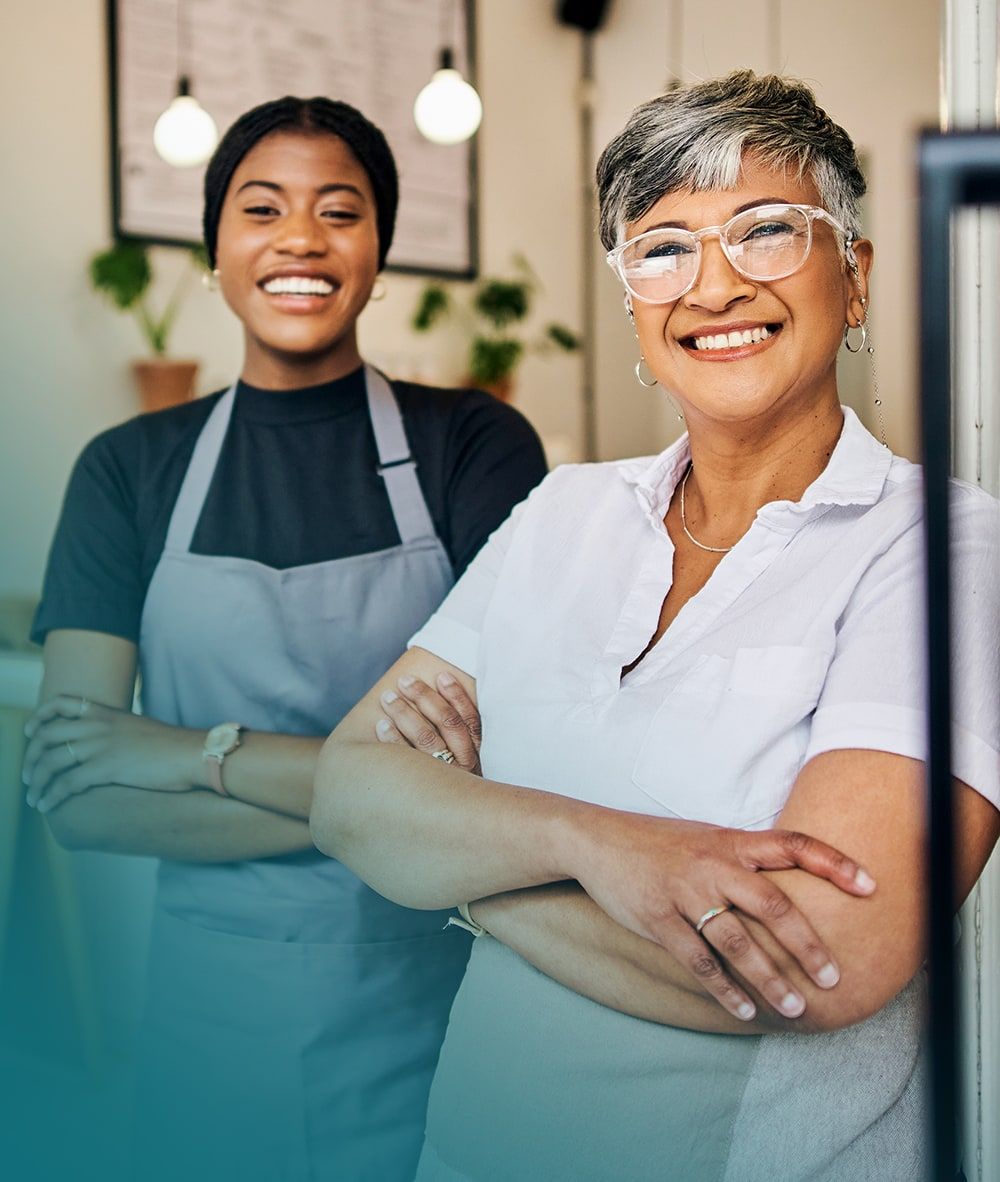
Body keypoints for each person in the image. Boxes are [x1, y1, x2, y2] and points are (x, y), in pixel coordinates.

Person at [311, 71, 1000, 1180]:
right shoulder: (562, 513)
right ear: (633, 300)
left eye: (768, 232)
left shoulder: (943, 548)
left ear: (856, 277)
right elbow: (348, 794)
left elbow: (823, 958)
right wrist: (598, 848)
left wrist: (463, 861)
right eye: (663, 246)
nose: (714, 285)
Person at [22, 96, 547, 1181]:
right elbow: (77, 797)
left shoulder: (475, 448)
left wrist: (182, 754)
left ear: (379, 251)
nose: (300, 237)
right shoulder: (128, 470)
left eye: (339, 211)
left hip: (442, 1003)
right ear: (216, 249)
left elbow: (503, 773)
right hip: (210, 1022)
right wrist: (392, 813)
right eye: (262, 208)